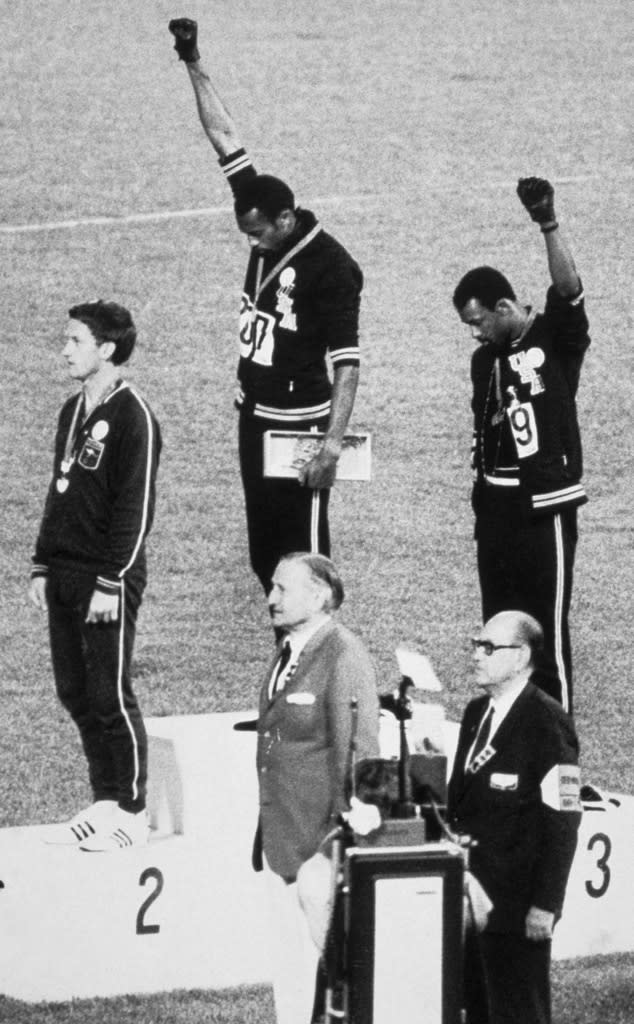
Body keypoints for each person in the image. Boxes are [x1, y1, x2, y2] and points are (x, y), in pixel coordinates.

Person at [168, 19, 363, 593]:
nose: (252, 244)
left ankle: (322, 664)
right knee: (263, 558)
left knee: (304, 559)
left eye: (258, 236)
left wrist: (331, 443)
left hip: (300, 425)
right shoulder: (260, 205)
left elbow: (347, 362)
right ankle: (290, 650)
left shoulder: (332, 268)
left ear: (285, 219)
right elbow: (223, 135)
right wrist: (192, 58)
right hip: (254, 416)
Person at [452, 178, 591, 713]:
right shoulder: (483, 360)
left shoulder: (555, 339)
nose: (475, 334)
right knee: (501, 630)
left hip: (542, 507)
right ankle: (512, 740)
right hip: (495, 508)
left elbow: (570, 289)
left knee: (546, 635)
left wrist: (547, 222)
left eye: (479, 321)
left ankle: (561, 758)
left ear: (505, 304)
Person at [28, 301, 162, 852]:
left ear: (106, 350)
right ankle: (105, 796)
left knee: (109, 691)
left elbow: (136, 509)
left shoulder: (135, 417)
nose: (65, 349)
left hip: (107, 579)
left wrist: (113, 581)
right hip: (63, 571)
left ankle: (132, 809)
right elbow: (59, 490)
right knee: (74, 690)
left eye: (75, 341)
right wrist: (41, 562)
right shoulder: (71, 410)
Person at [255, 552, 380, 1024]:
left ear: (320, 595)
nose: (271, 599)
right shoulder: (288, 651)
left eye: (283, 589)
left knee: (341, 977)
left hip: (318, 843)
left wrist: (336, 842)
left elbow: (360, 752)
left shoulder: (343, 654)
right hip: (280, 838)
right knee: (293, 975)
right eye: (273, 587)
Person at [448, 611, 582, 1024]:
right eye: (475, 644)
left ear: (521, 656)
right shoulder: (475, 715)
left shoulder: (548, 721)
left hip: (518, 907)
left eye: (488, 647)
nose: (476, 655)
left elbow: (564, 819)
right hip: (471, 898)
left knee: (519, 1012)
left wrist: (546, 904)